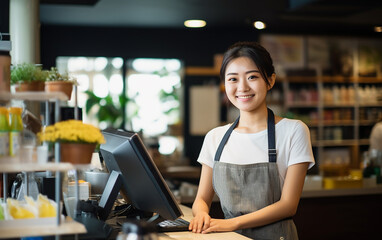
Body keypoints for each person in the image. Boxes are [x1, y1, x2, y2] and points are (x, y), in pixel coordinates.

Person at [189, 41, 315, 239]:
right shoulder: (215, 137)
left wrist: (231, 223)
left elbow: (288, 206)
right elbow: (201, 199)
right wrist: (202, 215)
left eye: (252, 77)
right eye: (232, 79)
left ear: (270, 80)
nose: (242, 87)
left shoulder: (294, 130)